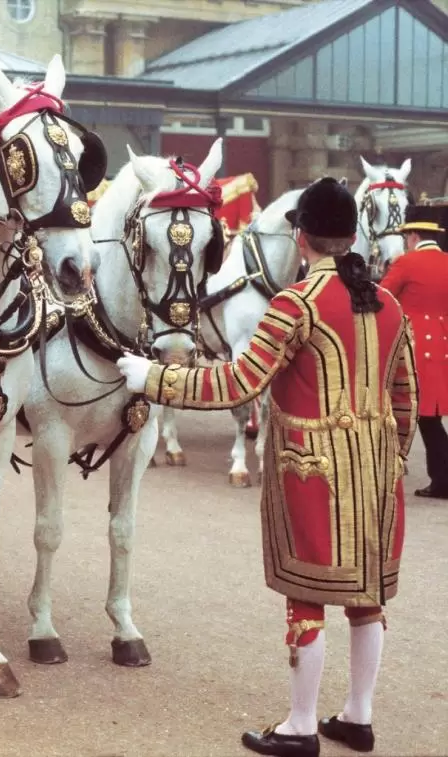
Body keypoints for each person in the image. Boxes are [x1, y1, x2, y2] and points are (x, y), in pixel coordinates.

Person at [117, 177, 417, 757]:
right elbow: (403, 395)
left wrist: (152, 378)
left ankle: (302, 725)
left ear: (300, 238)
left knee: (306, 597)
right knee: (366, 597)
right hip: (377, 470)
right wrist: (391, 456)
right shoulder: (389, 303)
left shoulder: (295, 304)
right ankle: (358, 715)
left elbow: (237, 382)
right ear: (353, 236)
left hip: (311, 470)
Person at [380, 204, 448, 499]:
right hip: (443, 346)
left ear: (414, 235)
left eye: (407, 235)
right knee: (431, 417)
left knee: (418, 416)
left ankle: (442, 480)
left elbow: (381, 298)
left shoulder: (406, 263)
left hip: (414, 347)